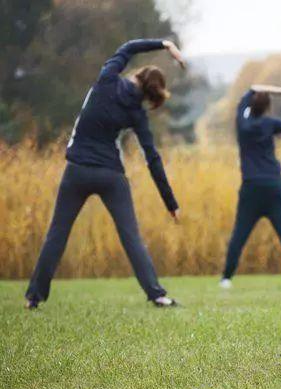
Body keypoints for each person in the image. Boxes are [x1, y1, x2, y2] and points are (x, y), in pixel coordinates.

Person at [24, 39, 186, 309]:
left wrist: (164, 44)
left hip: (76, 170)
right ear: (150, 94)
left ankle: (34, 298)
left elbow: (128, 48)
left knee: (57, 233)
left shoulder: (107, 77)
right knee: (131, 236)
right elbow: (153, 160)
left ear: (136, 74)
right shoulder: (136, 113)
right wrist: (171, 204)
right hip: (111, 175)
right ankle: (157, 294)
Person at [219, 85, 281, 289]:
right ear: (267, 107)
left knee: (239, 235)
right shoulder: (270, 123)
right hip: (273, 186)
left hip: (251, 187)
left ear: (249, 106)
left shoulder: (241, 124)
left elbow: (251, 88)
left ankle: (226, 278)